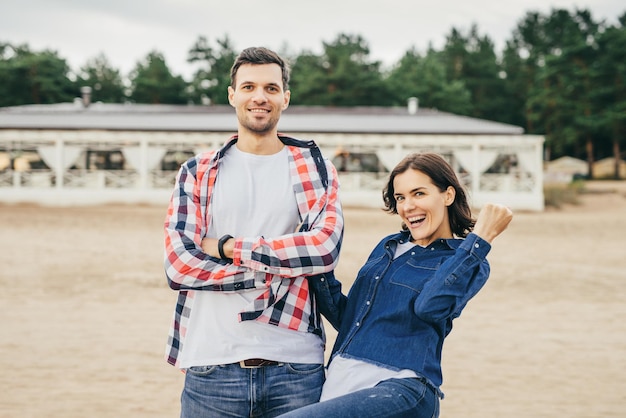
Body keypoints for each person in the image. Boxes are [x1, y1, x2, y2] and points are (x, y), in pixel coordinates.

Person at [163, 46, 344, 418]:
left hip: (296, 367)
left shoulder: (314, 168)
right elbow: (179, 266)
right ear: (232, 95)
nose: (260, 97)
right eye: (248, 87)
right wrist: (277, 272)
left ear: (285, 98)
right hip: (212, 364)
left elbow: (324, 249)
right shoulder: (197, 172)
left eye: (271, 88)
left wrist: (228, 247)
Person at [280, 152, 513, 418]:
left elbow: (430, 307)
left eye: (419, 194)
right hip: (343, 381)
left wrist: (480, 239)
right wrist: (314, 257)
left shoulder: (467, 259)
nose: (408, 206)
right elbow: (350, 318)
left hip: (403, 387)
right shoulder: (388, 246)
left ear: (448, 196)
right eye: (401, 197)